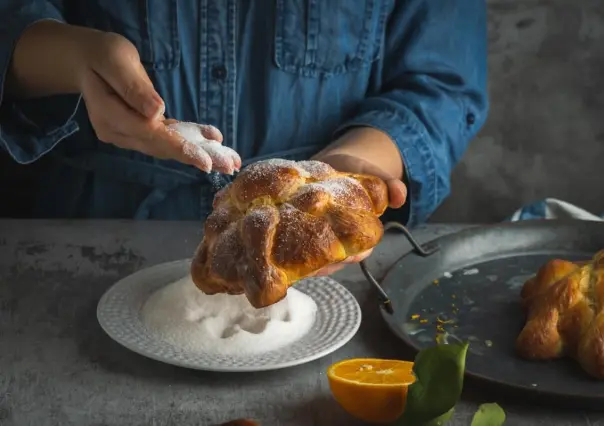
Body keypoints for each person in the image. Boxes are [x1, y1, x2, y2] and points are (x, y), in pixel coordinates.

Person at [0, 0, 488, 273]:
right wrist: (69, 57)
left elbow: (441, 82)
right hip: (80, 256)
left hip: (319, 272)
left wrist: (351, 162)